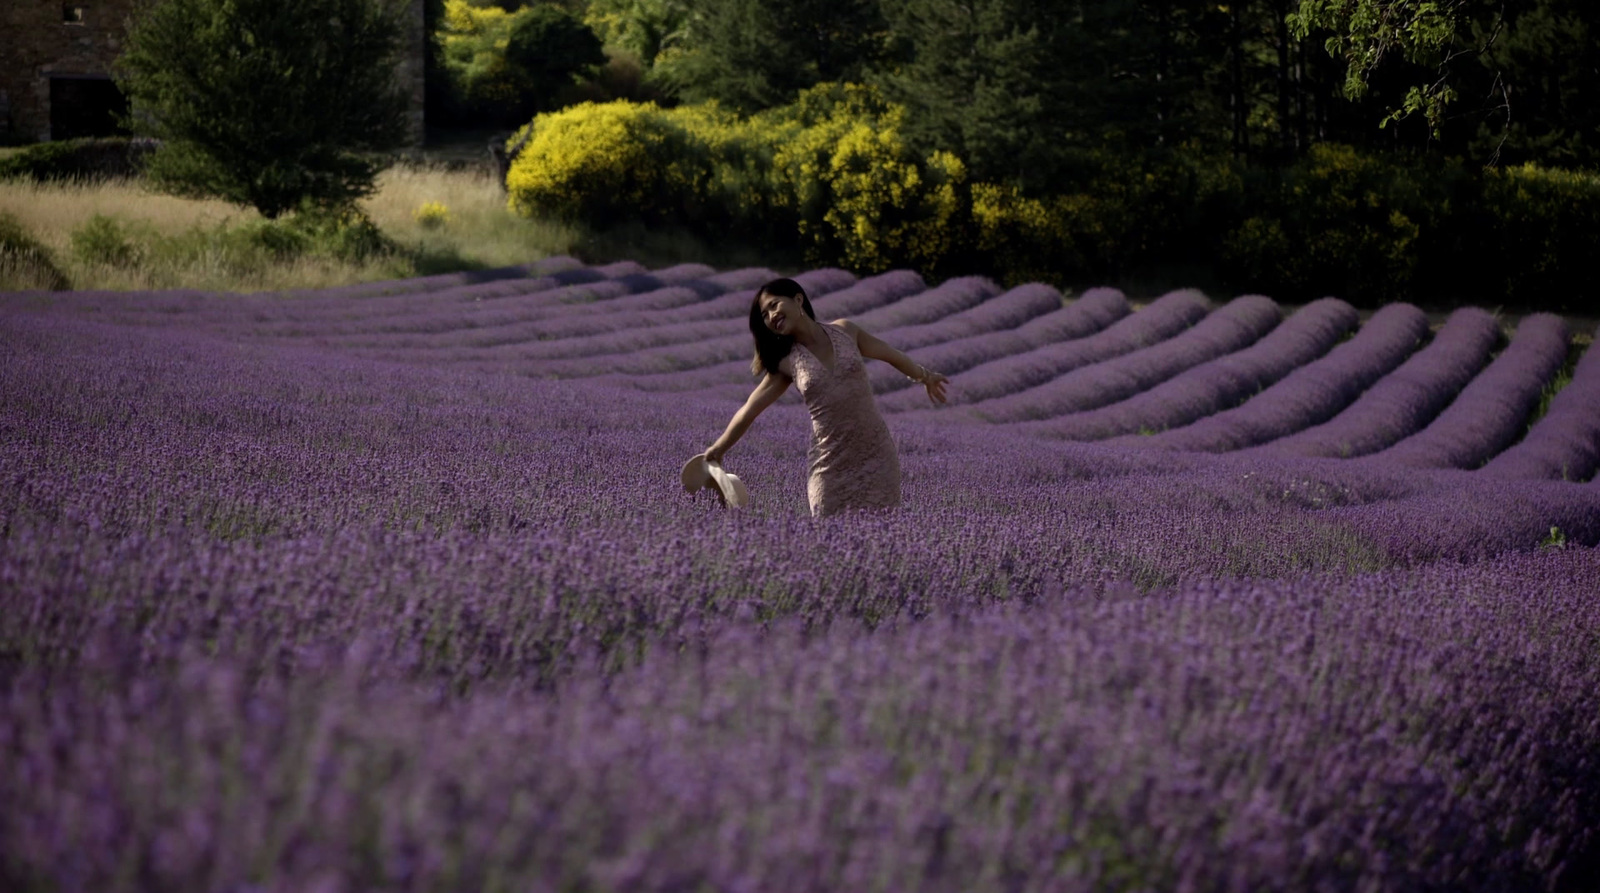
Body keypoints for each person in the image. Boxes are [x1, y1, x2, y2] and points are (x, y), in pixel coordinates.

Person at [703, 277, 949, 517]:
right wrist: (718, 448)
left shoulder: (845, 330)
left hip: (877, 457)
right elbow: (749, 410)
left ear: (798, 299)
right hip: (829, 465)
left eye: (774, 305)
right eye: (764, 315)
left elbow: (891, 354)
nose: (770, 316)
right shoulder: (787, 363)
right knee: (829, 542)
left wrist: (925, 376)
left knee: (882, 540)